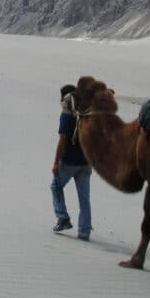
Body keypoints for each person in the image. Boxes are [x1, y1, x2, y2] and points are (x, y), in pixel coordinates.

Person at [51, 84, 92, 240]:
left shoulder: (66, 115)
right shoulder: (87, 114)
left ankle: (63, 218)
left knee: (55, 186)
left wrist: (56, 162)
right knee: (84, 198)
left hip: (68, 162)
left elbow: (62, 141)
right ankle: (84, 231)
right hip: (86, 162)